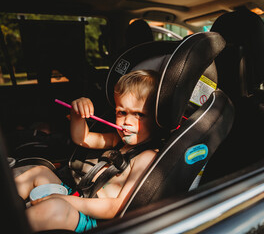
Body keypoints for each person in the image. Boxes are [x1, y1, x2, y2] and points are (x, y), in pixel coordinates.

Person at [14, 69, 161, 232]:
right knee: (39, 172)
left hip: (94, 221)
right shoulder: (117, 140)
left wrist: (65, 201)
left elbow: (116, 207)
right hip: (78, 197)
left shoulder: (146, 157)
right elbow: (82, 138)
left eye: (139, 114)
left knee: (52, 208)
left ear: (157, 117)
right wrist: (77, 114)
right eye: (122, 112)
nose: (127, 121)